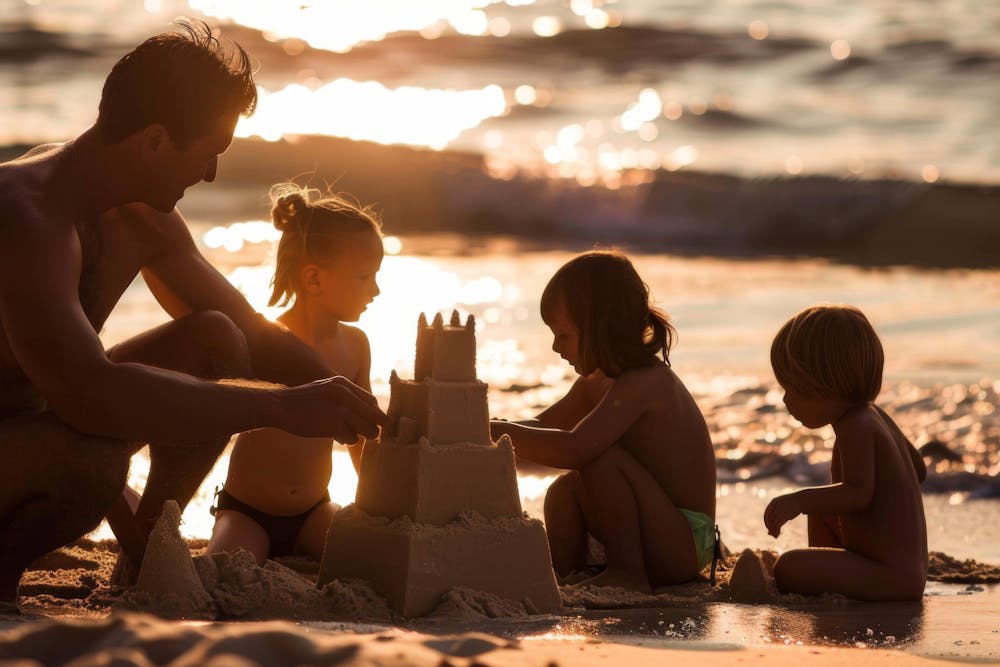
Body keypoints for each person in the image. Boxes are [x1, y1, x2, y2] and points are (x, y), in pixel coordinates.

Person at [0, 21, 385, 608]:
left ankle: (144, 558)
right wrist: (281, 407)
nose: (209, 175)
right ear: (156, 141)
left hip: (33, 420)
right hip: (28, 433)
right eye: (208, 154)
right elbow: (88, 394)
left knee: (216, 338)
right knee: (93, 461)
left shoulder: (139, 219)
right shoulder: (27, 217)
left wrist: (355, 404)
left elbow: (251, 335)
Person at [490, 250, 717, 594]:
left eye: (563, 335)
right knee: (562, 493)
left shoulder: (646, 382)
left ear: (601, 329)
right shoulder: (594, 383)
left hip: (685, 541)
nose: (554, 346)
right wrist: (487, 427)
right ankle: (566, 574)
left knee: (599, 457)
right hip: (652, 531)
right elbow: (541, 424)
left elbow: (576, 449)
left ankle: (628, 574)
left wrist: (498, 431)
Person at [206, 186, 383, 563]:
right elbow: (218, 416)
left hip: (314, 511)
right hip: (246, 512)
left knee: (367, 560)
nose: (377, 290)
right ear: (314, 279)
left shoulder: (356, 346)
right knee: (225, 571)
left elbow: (362, 438)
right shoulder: (267, 343)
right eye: (364, 277)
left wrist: (379, 504)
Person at [759, 305, 927, 600]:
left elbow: (858, 495)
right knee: (823, 506)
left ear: (823, 383)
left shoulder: (855, 426)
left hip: (889, 577)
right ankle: (828, 571)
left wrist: (798, 501)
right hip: (905, 570)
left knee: (788, 567)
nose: (785, 399)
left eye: (791, 387)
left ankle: (818, 581)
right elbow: (919, 469)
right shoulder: (875, 416)